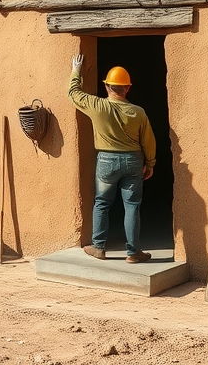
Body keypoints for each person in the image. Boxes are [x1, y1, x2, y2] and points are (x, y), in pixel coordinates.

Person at [69, 55, 156, 264]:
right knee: (132, 205)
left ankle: (98, 247)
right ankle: (133, 252)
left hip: (106, 161)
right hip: (133, 161)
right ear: (127, 88)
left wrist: (76, 70)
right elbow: (149, 141)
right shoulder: (139, 112)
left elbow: (73, 93)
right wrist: (150, 163)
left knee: (101, 203)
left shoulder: (97, 106)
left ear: (107, 87)